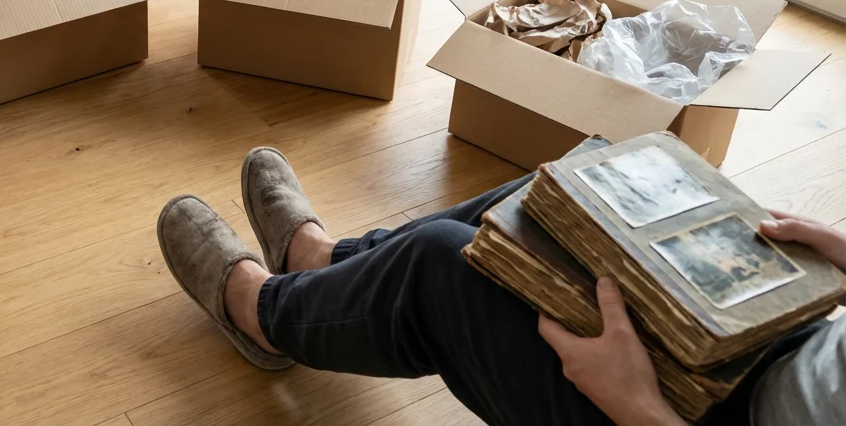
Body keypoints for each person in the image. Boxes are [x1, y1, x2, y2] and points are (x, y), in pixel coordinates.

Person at [157, 147, 846, 426]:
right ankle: (327, 261)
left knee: (440, 264)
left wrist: (637, 407)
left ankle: (263, 314)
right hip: (779, 333)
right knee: (575, 189)